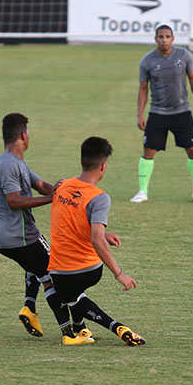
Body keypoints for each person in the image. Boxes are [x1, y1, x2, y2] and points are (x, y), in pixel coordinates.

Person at [0, 113, 87, 344]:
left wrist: (61, 191)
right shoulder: (8, 166)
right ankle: (71, 333)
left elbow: (42, 186)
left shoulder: (15, 163)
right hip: (19, 236)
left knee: (37, 266)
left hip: (7, 238)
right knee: (57, 275)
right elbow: (14, 200)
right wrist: (52, 200)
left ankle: (30, 307)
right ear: (23, 135)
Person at [48, 136, 146, 347]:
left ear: (82, 160)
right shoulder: (99, 197)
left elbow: (70, 222)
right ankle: (112, 328)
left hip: (58, 270)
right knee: (72, 296)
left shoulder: (62, 186)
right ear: (104, 165)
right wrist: (119, 274)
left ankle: (88, 328)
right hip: (89, 270)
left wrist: (103, 235)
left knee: (62, 292)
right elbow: (95, 238)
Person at [130, 24, 193, 204]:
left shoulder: (184, 56)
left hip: (182, 112)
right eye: (161, 37)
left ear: (173, 38)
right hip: (157, 113)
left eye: (167, 36)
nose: (164, 40)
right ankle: (142, 191)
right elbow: (143, 88)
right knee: (148, 151)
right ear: (155, 39)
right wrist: (140, 114)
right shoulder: (147, 61)